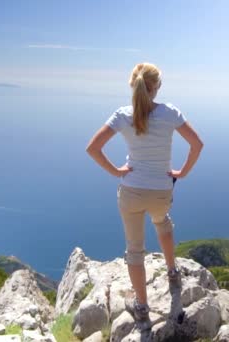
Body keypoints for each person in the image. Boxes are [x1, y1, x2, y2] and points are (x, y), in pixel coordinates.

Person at [85, 62, 203, 323]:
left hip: (131, 192)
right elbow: (197, 144)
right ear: (156, 87)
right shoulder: (170, 113)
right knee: (162, 222)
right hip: (161, 191)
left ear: (133, 85)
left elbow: (92, 148)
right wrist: (182, 172)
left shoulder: (122, 115)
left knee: (134, 250)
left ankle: (141, 307)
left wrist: (117, 171)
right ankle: (172, 272)